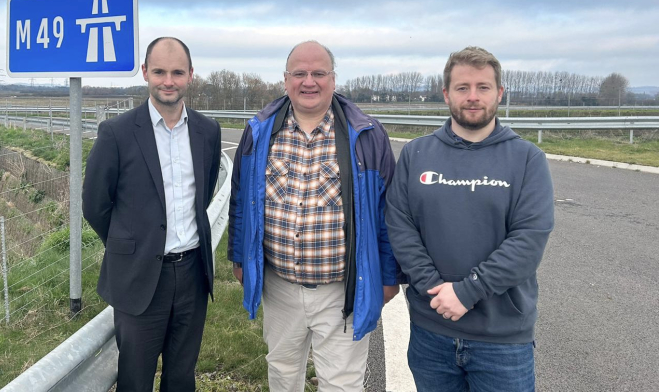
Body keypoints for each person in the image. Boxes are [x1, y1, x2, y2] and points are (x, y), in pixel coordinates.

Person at [227, 40, 402, 391]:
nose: (309, 81)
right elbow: (241, 200)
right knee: (282, 375)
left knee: (341, 385)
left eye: (319, 73)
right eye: (300, 73)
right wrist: (238, 256)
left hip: (343, 290)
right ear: (286, 79)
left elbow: (388, 213)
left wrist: (389, 275)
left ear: (333, 80)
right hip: (279, 288)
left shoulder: (366, 135)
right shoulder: (260, 130)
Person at [385, 46, 555, 392]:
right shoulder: (416, 154)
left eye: (483, 87)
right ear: (446, 94)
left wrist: (467, 292)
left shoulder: (527, 159)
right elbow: (401, 227)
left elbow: (529, 239)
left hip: (502, 341)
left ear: (499, 93)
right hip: (431, 332)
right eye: (463, 88)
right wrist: (436, 289)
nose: (473, 97)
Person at [82, 37, 222, 392]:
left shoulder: (208, 131)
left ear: (191, 75)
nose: (168, 81)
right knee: (135, 380)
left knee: (181, 377)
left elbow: (201, 196)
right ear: (145, 73)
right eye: (159, 71)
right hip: (139, 277)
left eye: (177, 72)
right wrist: (130, 245)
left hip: (192, 275)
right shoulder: (116, 133)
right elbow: (96, 205)